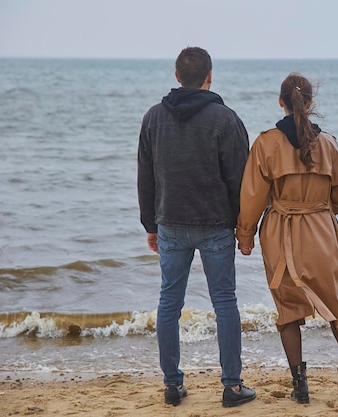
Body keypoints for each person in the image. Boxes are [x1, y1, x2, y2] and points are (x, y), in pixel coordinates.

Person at [236, 72, 338, 404]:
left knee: (288, 309)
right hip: (321, 228)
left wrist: (246, 234)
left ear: (281, 102)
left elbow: (252, 196)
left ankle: (300, 385)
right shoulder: (327, 143)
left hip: (280, 229)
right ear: (310, 103)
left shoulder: (266, 143)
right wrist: (322, 214)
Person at [137, 46, 256, 408]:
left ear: (177, 77)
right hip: (216, 224)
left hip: (170, 222)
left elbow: (146, 176)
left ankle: (172, 386)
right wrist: (244, 226)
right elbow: (241, 180)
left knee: (169, 304)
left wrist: (149, 223)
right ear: (209, 77)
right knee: (225, 303)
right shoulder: (225, 119)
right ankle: (232, 387)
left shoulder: (153, 118)